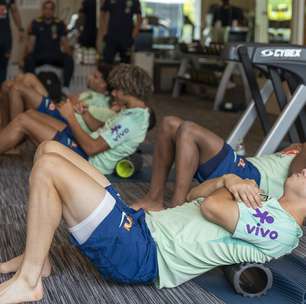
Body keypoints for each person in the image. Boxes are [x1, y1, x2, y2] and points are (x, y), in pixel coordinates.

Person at [0, 140, 304, 303]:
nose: (302, 170)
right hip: (143, 225)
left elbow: (212, 207)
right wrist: (228, 177)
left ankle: (29, 282)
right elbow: (195, 196)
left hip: (144, 254)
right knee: (48, 150)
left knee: (49, 169)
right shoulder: (266, 198)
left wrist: (232, 184)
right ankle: (38, 261)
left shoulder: (284, 230)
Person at [0, 64, 154, 175]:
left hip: (87, 160)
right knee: (29, 115)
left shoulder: (132, 121)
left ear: (129, 91)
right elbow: (100, 128)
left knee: (23, 121)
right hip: (85, 145)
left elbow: (92, 149)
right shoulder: (133, 111)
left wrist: (70, 117)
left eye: (117, 90)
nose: (112, 93)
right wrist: (85, 114)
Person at [134, 117, 306, 211]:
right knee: (169, 123)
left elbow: (295, 173)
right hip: (246, 167)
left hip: (252, 179)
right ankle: (154, 199)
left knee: (188, 129)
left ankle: (177, 206)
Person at [23, 0, 74, 91]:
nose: (48, 11)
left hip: (55, 55)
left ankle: (66, 88)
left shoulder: (59, 23)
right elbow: (31, 43)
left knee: (69, 59)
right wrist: (24, 56)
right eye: (46, 9)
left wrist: (70, 54)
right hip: (39, 55)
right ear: (42, 10)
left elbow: (64, 43)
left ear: (53, 11)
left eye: (50, 9)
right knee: (28, 59)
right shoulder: (35, 23)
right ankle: (32, 87)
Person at [0, 0, 24, 85]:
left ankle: (1, 92)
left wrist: (20, 29)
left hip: (5, 38)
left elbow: (14, 11)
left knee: (3, 66)